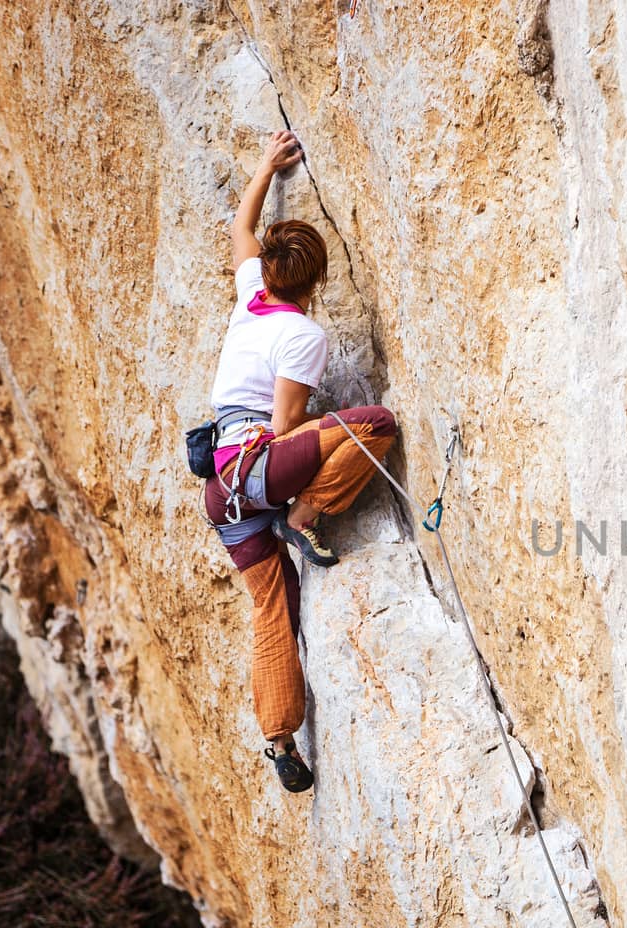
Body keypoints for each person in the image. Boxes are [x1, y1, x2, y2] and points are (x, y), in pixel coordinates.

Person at [204, 131, 397, 793]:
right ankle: (305, 514)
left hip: (222, 491)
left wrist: (265, 165)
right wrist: (319, 439)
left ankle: (280, 737)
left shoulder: (249, 301)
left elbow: (241, 227)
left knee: (271, 606)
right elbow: (284, 424)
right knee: (375, 424)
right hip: (259, 469)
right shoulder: (302, 333)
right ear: (313, 281)